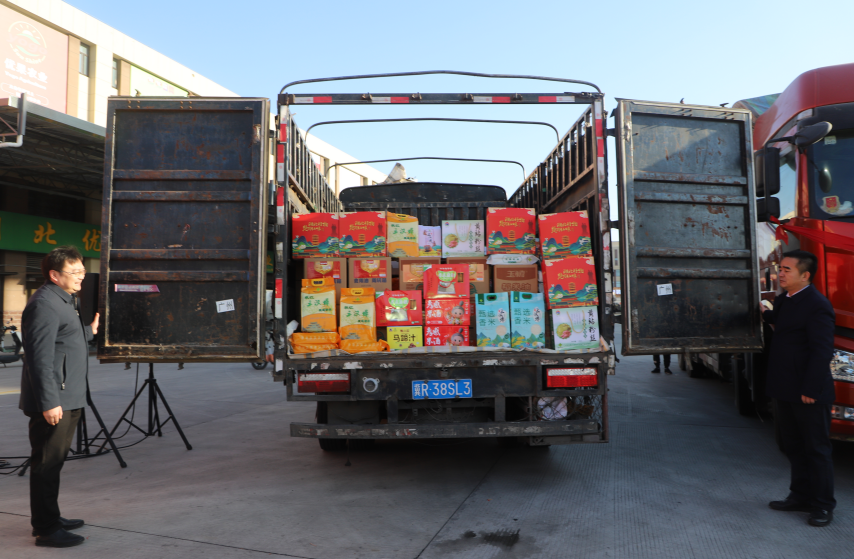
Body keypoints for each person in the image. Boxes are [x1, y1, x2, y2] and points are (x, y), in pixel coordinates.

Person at [19, 246, 99, 547]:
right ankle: (46, 528)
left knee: (54, 463)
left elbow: (65, 337)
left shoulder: (64, 299)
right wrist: (49, 402)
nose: (81, 277)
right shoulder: (45, 304)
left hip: (68, 395)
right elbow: (38, 358)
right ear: (54, 275)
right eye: (74, 272)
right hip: (56, 401)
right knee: (46, 464)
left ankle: (50, 517)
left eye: (82, 271)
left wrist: (89, 331)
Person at [761, 250, 836, 527]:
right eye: (780, 268)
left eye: (787, 270)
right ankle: (800, 496)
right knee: (792, 445)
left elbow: (822, 350)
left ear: (805, 275)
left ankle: (823, 505)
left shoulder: (817, 305)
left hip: (808, 391)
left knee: (816, 449)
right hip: (784, 387)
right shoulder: (785, 300)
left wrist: (812, 388)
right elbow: (779, 322)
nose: (780, 273)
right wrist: (763, 312)